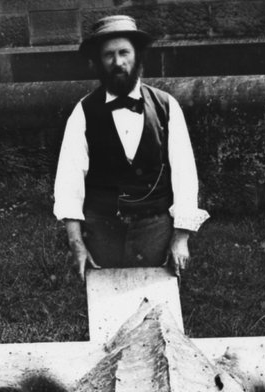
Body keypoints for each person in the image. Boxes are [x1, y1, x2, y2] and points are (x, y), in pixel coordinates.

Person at [53, 16, 208, 280]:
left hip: (155, 232)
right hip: (102, 233)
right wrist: (76, 243)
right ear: (99, 61)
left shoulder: (166, 106)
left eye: (124, 52)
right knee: (105, 301)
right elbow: (69, 181)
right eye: (109, 55)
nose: (118, 62)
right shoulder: (83, 111)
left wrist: (181, 237)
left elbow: (185, 175)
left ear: (137, 56)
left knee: (156, 302)